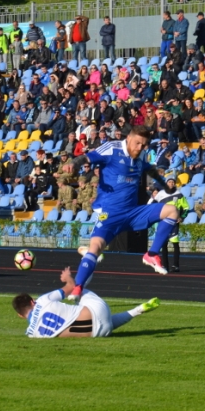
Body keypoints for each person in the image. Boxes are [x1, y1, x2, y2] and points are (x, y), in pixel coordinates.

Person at [59, 126, 181, 299]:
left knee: (172, 210)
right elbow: (88, 157)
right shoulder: (112, 149)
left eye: (144, 145)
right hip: (110, 214)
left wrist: (163, 181)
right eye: (138, 143)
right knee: (95, 249)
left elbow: (147, 168)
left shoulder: (140, 157)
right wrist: (73, 163)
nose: (140, 147)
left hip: (133, 212)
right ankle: (77, 287)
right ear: (129, 138)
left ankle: (151, 254)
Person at [13, 267, 160, 338]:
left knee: (103, 321)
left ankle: (137, 310)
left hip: (100, 332)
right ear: (33, 301)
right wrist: (67, 277)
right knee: (78, 287)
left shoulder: (31, 334)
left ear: (20, 316)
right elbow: (70, 287)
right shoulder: (43, 300)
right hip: (97, 310)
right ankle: (91, 262)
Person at [151, 177, 190, 272]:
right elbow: (153, 206)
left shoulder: (179, 194)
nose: (171, 183)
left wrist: (181, 217)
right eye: (169, 182)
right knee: (164, 244)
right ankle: (165, 266)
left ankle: (176, 265)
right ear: (166, 183)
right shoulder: (160, 194)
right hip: (163, 222)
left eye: (173, 182)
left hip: (174, 223)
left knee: (175, 244)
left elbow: (186, 208)